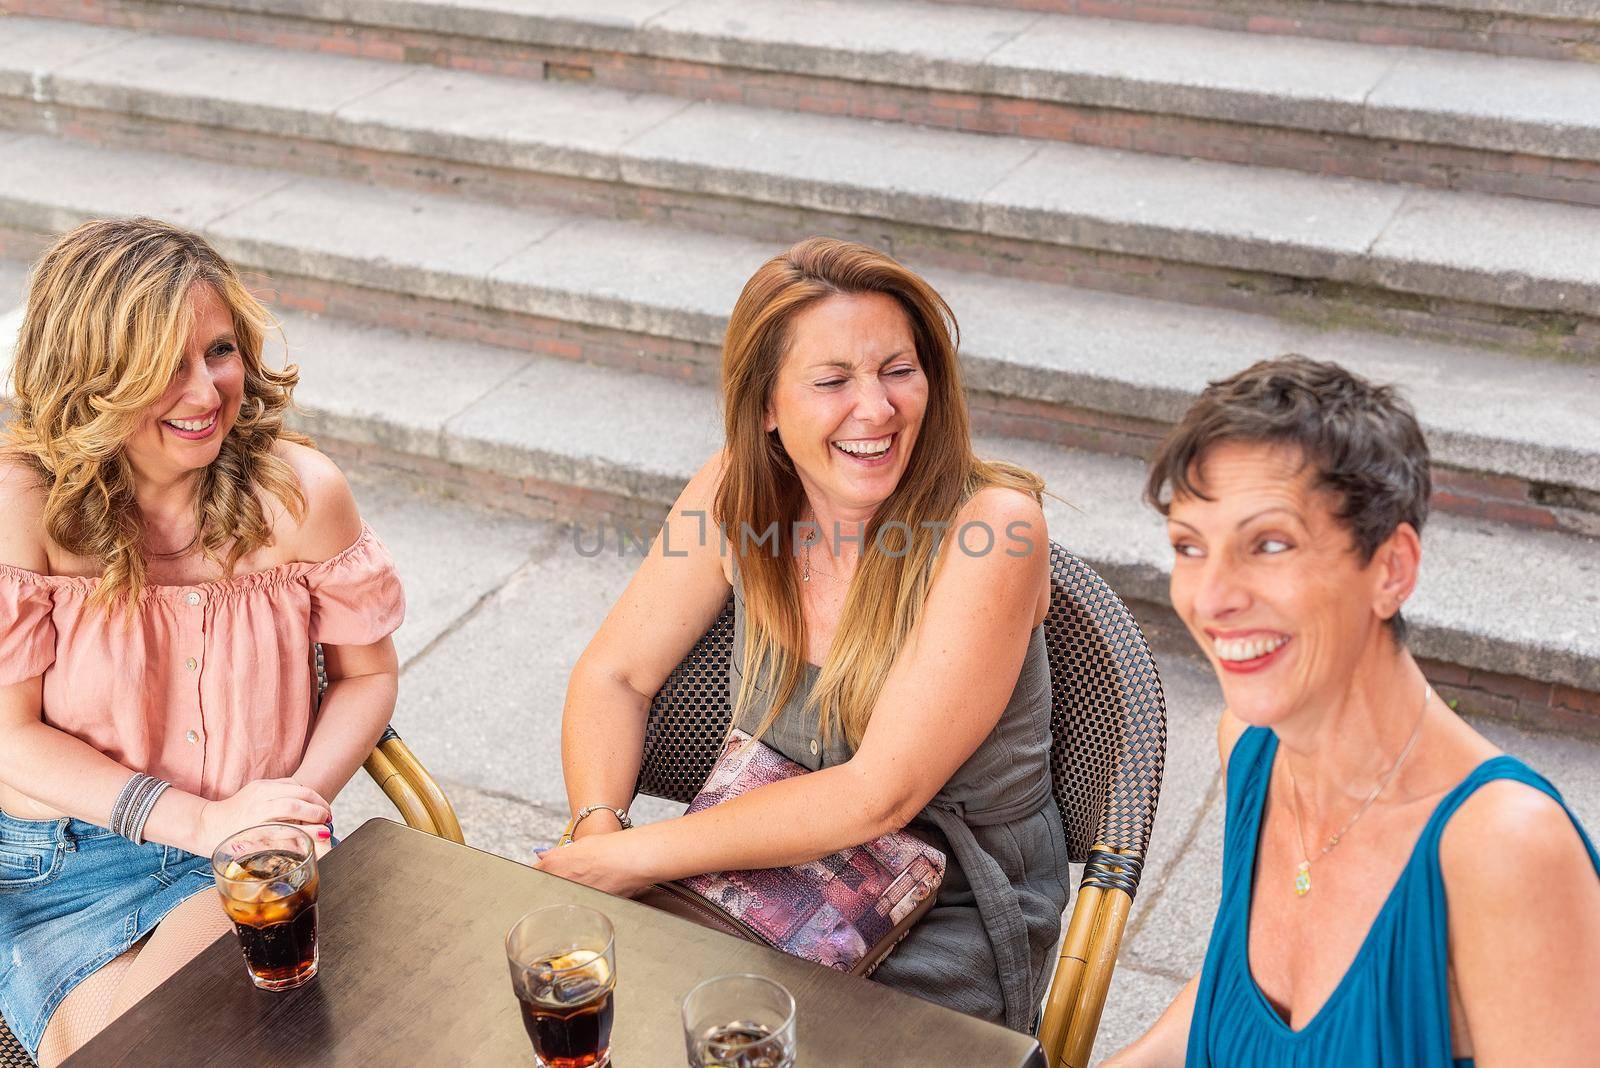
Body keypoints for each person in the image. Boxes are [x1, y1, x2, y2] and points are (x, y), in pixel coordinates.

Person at [543, 236, 1070, 1029]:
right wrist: (599, 827)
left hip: (948, 904)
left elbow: (876, 794)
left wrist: (633, 860)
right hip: (756, 868)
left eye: (899, 370)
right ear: (766, 406)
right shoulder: (736, 490)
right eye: (832, 381)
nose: (878, 409)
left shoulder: (994, 530)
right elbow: (616, 676)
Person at [1107, 356, 1600, 1066]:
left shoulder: (1505, 847)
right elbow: (1233, 995)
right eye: (1189, 546)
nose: (1211, 597)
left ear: (1391, 570)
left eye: (1268, 544)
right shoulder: (1252, 747)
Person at [0, 218, 404, 1065]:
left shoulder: (302, 494)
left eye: (218, 351)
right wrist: (199, 819)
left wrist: (290, 806)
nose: (205, 392)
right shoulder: (22, 504)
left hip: (246, 853)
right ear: (92, 380)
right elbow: (10, 736)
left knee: (223, 1039)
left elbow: (367, 676)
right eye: (162, 370)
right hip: (62, 867)